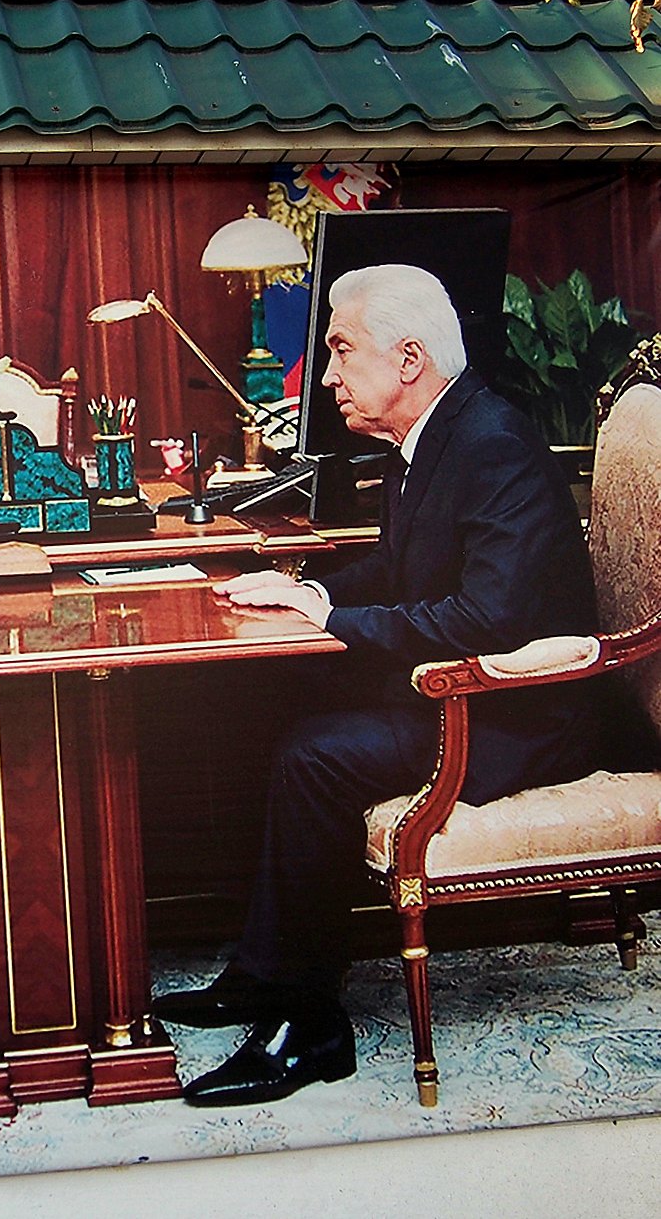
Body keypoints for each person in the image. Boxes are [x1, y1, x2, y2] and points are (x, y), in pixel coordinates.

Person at [155, 264, 599, 1107]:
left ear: (407, 358)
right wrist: (304, 591)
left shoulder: (492, 443)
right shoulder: (428, 438)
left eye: (339, 350)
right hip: (459, 692)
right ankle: (263, 972)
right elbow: (397, 569)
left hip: (518, 712)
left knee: (316, 753)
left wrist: (331, 619)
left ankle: (310, 1024)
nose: (327, 375)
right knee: (257, 705)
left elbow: (487, 619)